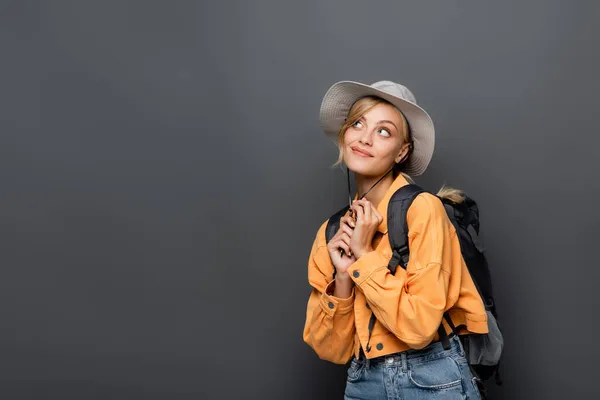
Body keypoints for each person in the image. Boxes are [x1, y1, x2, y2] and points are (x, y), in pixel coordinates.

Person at [302, 80, 489, 399]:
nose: (364, 137)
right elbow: (331, 349)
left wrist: (364, 255)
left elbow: (419, 330)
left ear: (402, 150)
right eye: (358, 123)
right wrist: (344, 277)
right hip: (363, 381)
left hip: (430, 378)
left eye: (383, 130)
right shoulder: (332, 231)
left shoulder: (423, 209)